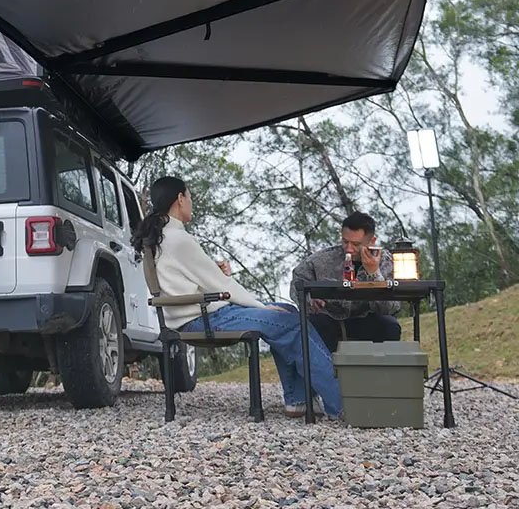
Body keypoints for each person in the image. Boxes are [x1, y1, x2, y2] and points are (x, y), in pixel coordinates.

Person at [132, 176, 342, 419]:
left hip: (196, 314)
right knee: (290, 322)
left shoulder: (162, 236)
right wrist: (261, 307)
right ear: (180, 198)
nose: (191, 202)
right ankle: (343, 403)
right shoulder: (179, 239)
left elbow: (188, 280)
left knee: (288, 311)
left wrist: (216, 273)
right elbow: (224, 285)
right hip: (203, 318)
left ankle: (298, 401)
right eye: (189, 197)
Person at [289, 211, 402, 353]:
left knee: (390, 326)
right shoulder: (321, 260)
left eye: (356, 244)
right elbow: (297, 283)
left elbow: (391, 308)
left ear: (371, 241)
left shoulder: (386, 262)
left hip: (367, 317)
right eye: (345, 241)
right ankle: (325, 367)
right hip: (330, 317)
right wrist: (310, 299)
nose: (349, 248)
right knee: (314, 325)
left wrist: (374, 273)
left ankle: (382, 366)